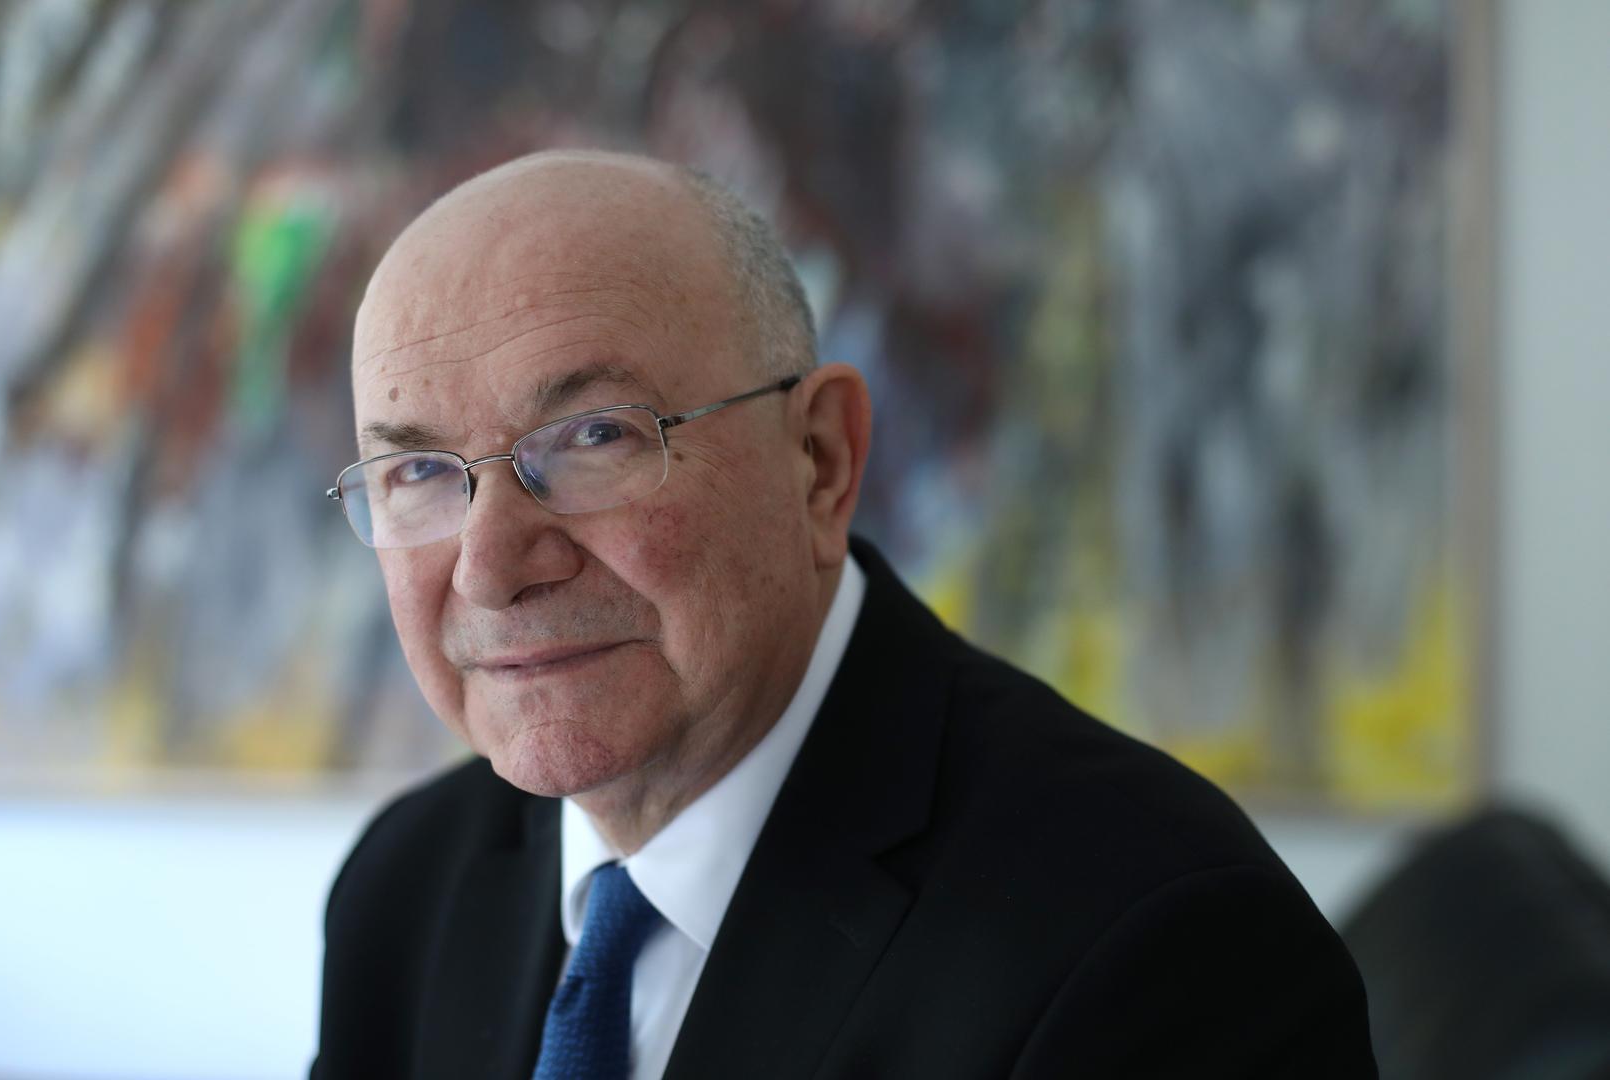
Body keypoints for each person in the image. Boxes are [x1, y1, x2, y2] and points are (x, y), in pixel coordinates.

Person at [312, 150, 1376, 1079]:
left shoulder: (1156, 946)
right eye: (416, 471)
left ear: (819, 459)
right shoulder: (407, 890)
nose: (489, 568)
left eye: (595, 437)